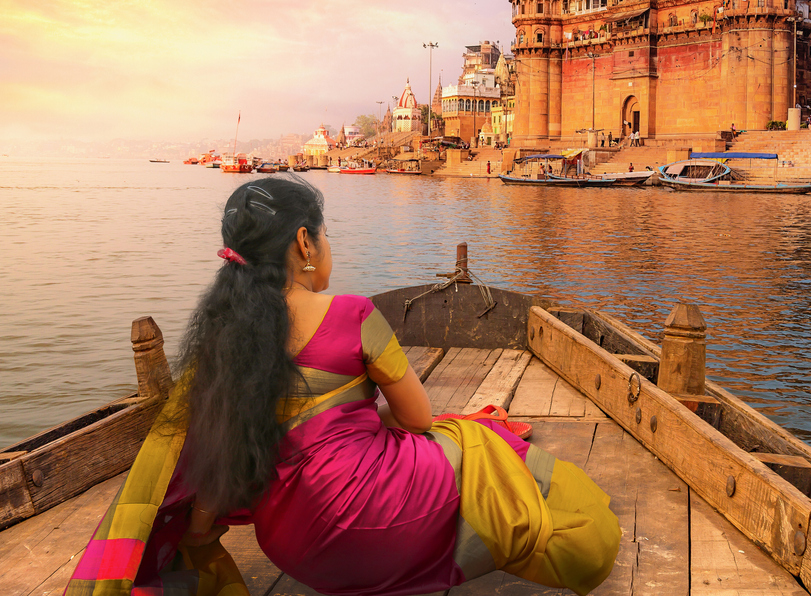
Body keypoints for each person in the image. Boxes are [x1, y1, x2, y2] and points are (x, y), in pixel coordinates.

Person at [67, 178, 618, 596]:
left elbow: (209, 474)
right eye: (324, 234)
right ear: (304, 243)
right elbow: (419, 420)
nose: (327, 244)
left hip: (295, 548)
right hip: (380, 523)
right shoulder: (354, 315)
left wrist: (200, 537)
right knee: (479, 446)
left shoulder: (222, 341)